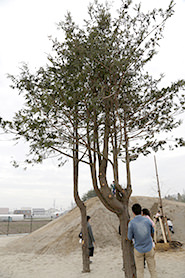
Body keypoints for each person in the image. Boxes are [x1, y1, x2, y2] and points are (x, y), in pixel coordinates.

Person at [127, 203, 157, 278]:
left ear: (133, 212)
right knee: (152, 270)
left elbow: (129, 237)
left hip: (138, 249)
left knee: (140, 271)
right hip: (149, 248)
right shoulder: (147, 221)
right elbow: (152, 232)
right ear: (141, 211)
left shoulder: (131, 223)